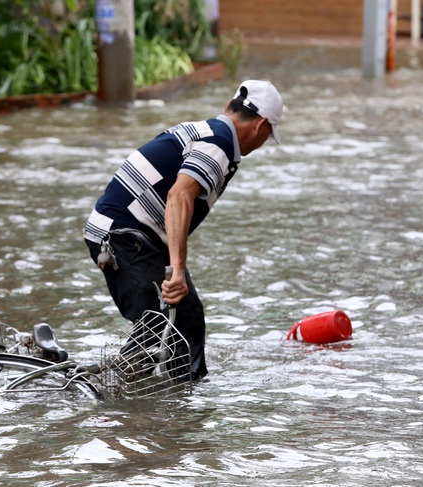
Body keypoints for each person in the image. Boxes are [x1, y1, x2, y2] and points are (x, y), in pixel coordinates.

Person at [84, 80, 284, 380]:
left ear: (230, 107)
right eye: (269, 135)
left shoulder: (208, 131)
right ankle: (105, 399)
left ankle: (185, 400)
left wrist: (176, 270)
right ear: (261, 126)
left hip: (139, 235)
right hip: (122, 237)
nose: (264, 141)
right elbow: (178, 196)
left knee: (187, 319)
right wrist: (177, 270)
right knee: (153, 331)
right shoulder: (219, 144)